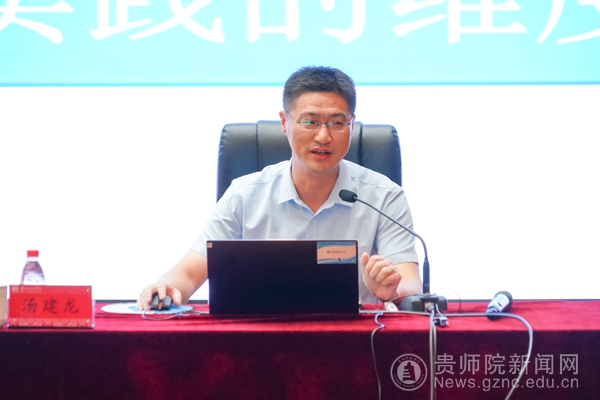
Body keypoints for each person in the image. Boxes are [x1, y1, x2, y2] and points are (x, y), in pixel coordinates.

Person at [137, 66, 422, 310]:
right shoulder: (244, 196)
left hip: (355, 344)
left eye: (337, 123)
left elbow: (410, 283)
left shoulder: (383, 197)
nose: (323, 136)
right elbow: (188, 273)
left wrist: (391, 291)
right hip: (256, 343)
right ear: (285, 123)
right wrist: (166, 288)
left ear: (352, 125)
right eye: (310, 121)